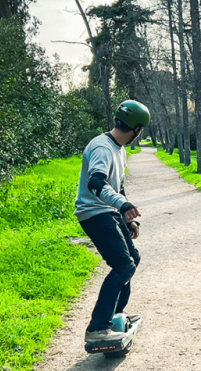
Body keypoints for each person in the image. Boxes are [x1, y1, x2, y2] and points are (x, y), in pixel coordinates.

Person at [74, 100, 150, 343]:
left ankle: (114, 315)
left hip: (108, 212)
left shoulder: (120, 149)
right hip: (93, 213)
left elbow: (118, 187)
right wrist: (122, 206)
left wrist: (127, 219)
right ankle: (98, 326)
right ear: (137, 129)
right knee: (123, 265)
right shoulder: (102, 148)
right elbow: (96, 183)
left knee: (132, 259)